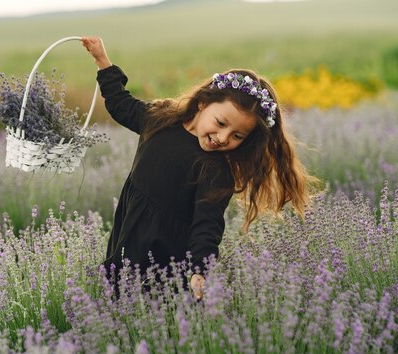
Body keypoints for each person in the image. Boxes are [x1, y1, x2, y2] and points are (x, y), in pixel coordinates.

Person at [82, 36, 317, 301]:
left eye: (237, 136)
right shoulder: (160, 119)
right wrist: (102, 60)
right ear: (204, 103)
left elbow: (207, 225)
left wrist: (200, 271)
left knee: (155, 309)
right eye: (220, 122)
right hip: (130, 228)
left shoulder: (216, 170)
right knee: (117, 292)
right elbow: (121, 105)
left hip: (167, 255)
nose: (223, 137)